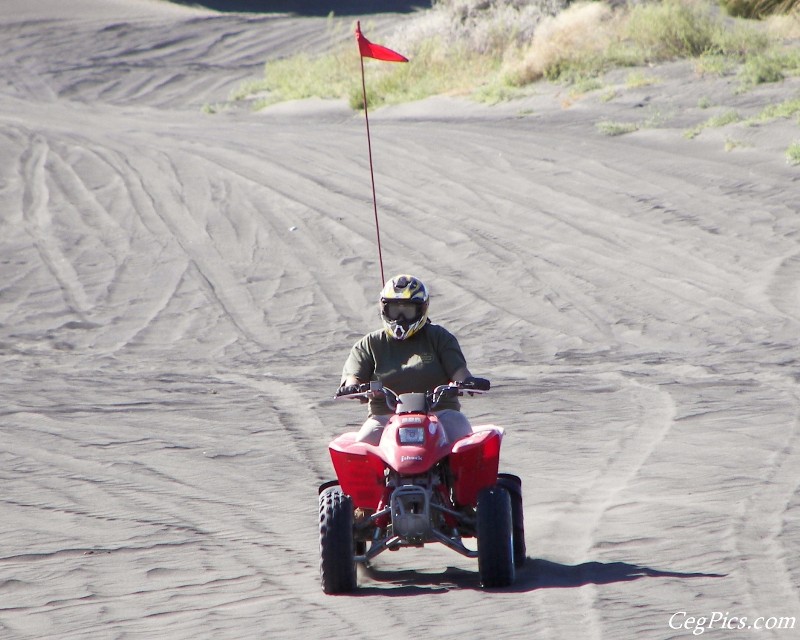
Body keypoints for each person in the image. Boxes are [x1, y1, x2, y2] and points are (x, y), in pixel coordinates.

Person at [338, 274, 489, 445]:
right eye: (395, 310)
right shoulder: (369, 344)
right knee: (362, 447)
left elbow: (459, 372)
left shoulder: (440, 338)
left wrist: (468, 382)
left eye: (407, 310)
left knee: (465, 444)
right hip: (385, 418)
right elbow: (353, 377)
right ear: (384, 309)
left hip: (440, 414)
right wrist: (351, 387)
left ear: (422, 309)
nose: (400, 319)